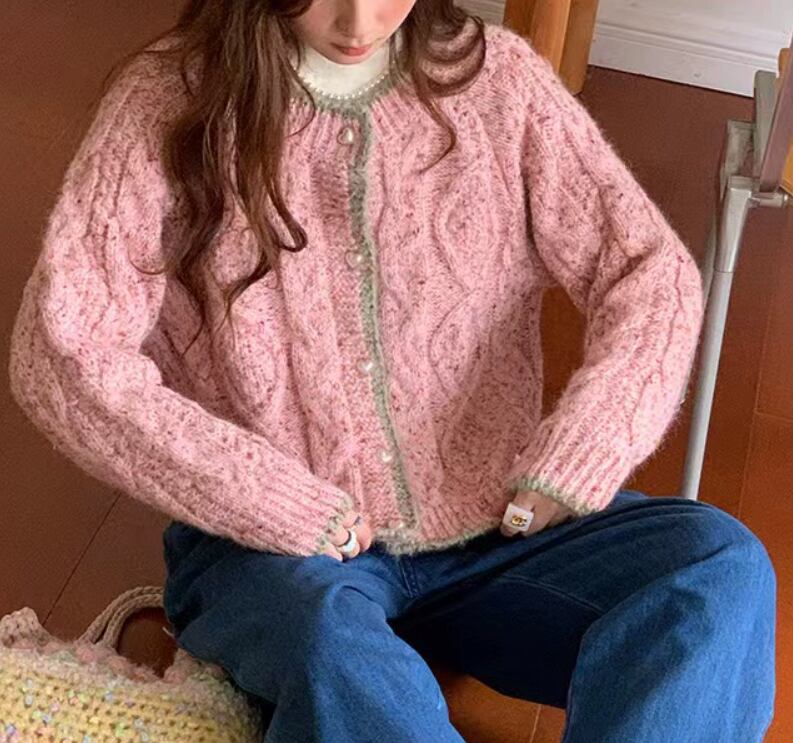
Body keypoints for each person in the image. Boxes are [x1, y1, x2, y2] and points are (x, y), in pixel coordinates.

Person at [8, 1, 776, 741]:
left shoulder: (500, 83)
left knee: (717, 566)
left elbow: (647, 271)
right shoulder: (168, 99)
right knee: (329, 646)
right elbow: (64, 348)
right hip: (276, 553)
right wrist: (267, 495)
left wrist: (582, 448)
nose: (359, 21)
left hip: (492, 530)